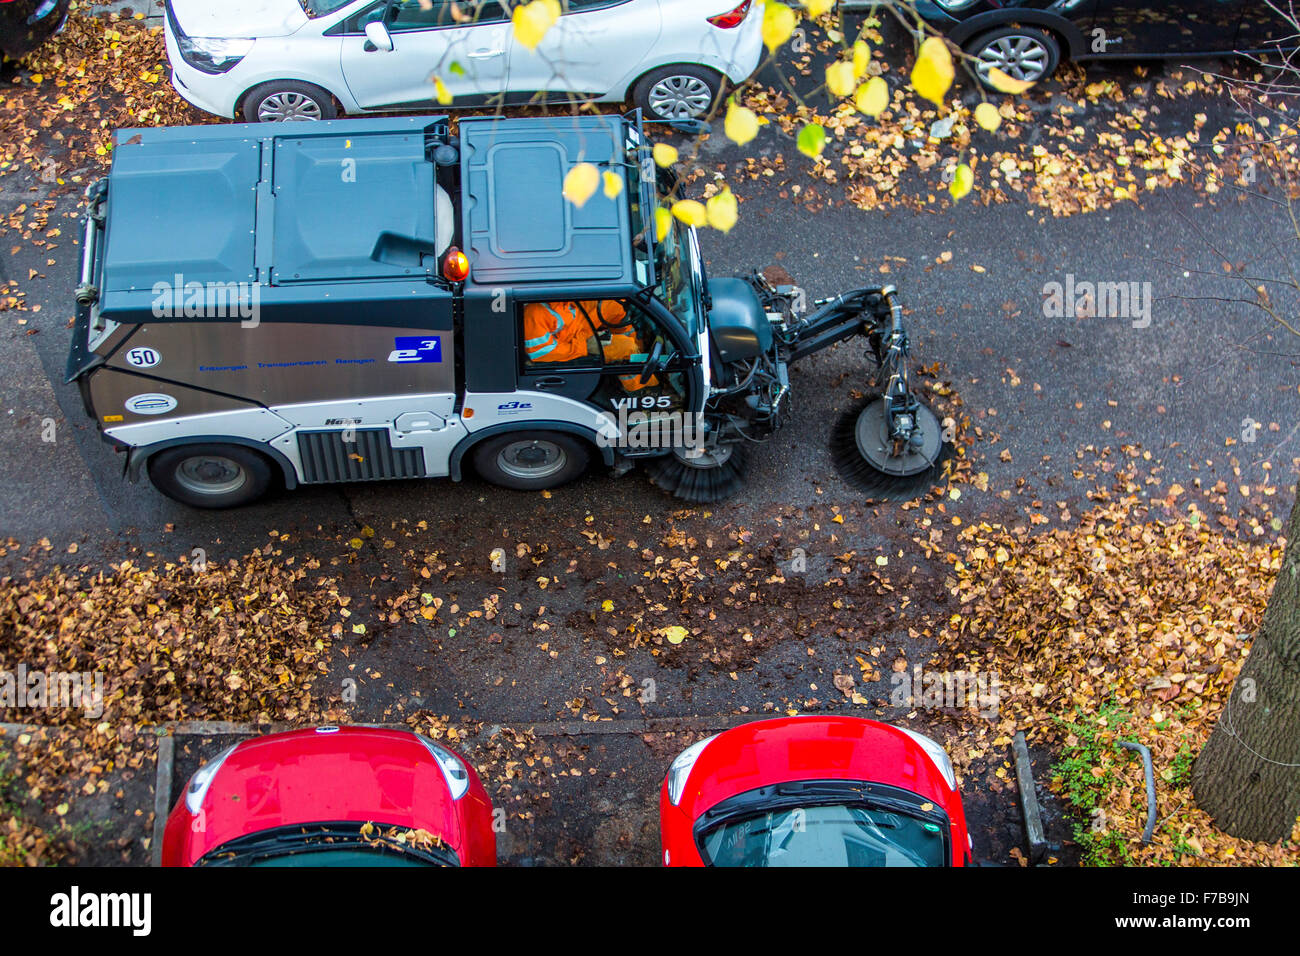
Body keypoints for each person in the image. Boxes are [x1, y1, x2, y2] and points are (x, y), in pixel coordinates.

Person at [522, 300, 657, 390]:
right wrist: (586, 346)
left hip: (576, 324)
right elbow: (544, 353)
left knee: (614, 305)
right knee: (625, 347)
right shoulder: (533, 315)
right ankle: (642, 388)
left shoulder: (559, 298)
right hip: (573, 350)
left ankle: (642, 352)